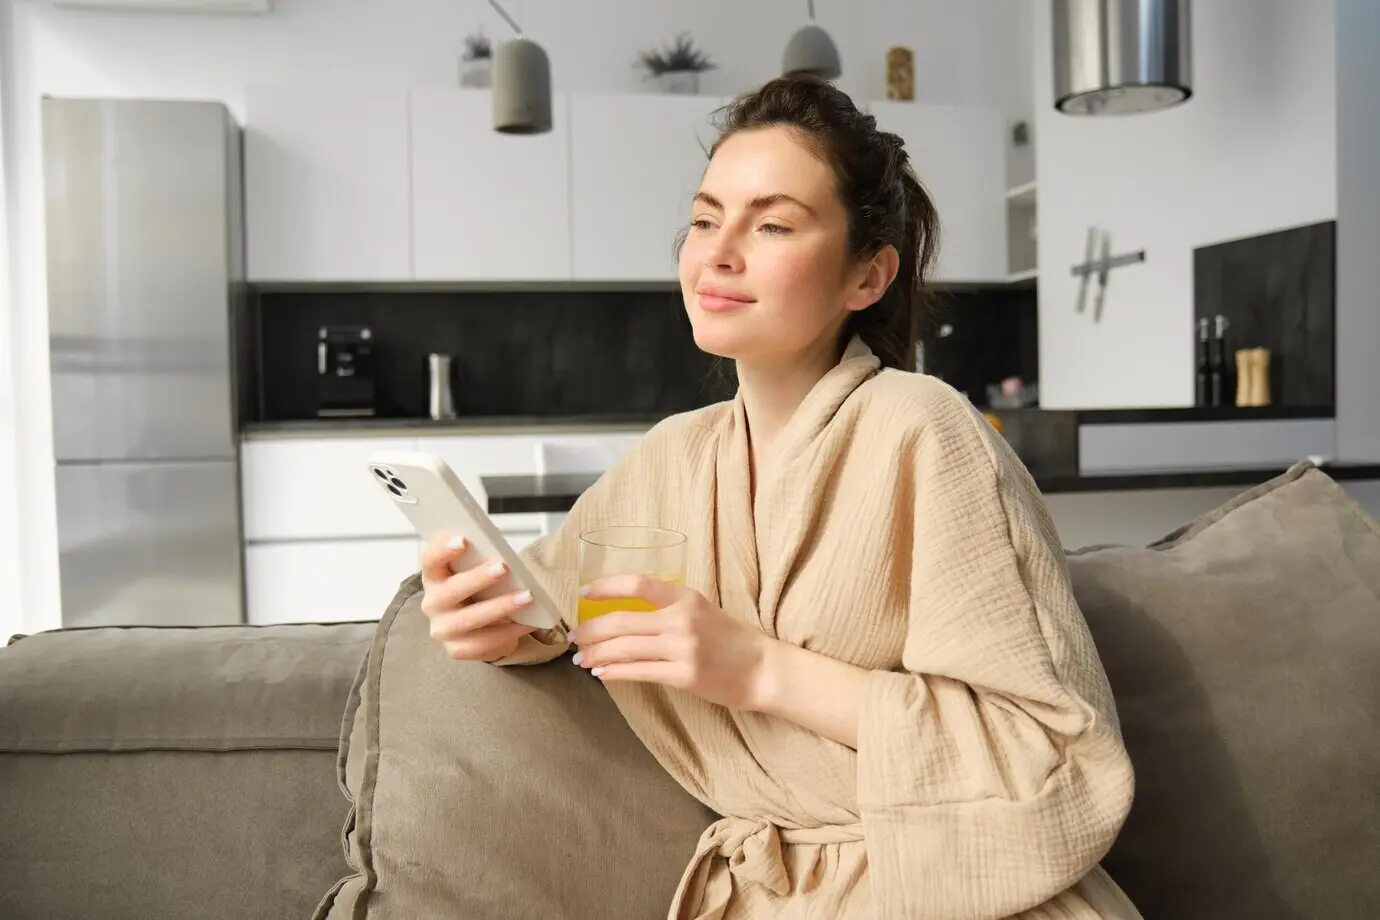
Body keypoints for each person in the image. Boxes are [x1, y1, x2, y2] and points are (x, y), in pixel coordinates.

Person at [418, 74, 1141, 920]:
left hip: (957, 897)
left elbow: (1050, 754)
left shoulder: (924, 430)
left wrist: (756, 666)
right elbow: (549, 600)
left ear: (866, 278)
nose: (718, 252)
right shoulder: (672, 458)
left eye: (771, 224)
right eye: (703, 218)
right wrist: (488, 614)